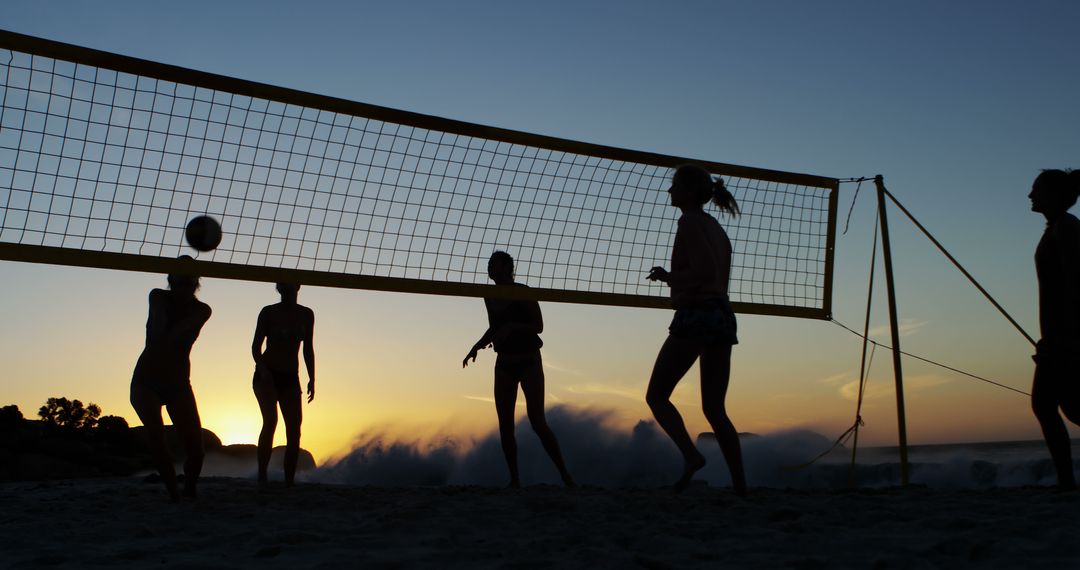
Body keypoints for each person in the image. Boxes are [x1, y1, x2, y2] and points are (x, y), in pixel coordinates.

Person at [645, 164, 747, 495]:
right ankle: (741, 486)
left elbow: (704, 271)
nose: (669, 192)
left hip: (698, 315)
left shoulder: (689, 222)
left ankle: (691, 456)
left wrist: (668, 277)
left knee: (657, 395)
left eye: (674, 186)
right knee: (715, 408)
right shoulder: (714, 225)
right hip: (721, 314)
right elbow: (714, 273)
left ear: (688, 192)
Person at [462, 251, 575, 488]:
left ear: (507, 267)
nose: (489, 267)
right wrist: (476, 346)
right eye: (489, 263)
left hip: (528, 361)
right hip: (504, 363)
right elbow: (494, 328)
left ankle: (565, 475)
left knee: (537, 422)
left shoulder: (523, 291)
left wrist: (513, 327)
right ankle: (514, 480)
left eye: (494, 263)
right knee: (505, 426)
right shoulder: (489, 295)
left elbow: (538, 326)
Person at [130, 256, 212, 502]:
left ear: (195, 282)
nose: (183, 284)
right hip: (146, 378)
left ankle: (189, 488)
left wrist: (172, 330)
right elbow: (158, 333)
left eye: (188, 280)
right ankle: (174, 494)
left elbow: (176, 334)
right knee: (158, 440)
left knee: (197, 452)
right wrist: (165, 322)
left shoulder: (202, 309)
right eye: (179, 279)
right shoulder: (157, 296)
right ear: (171, 279)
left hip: (178, 382)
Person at [1028, 168, 1080, 491]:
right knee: (1051, 405)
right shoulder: (1055, 229)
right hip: (1056, 334)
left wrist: (1068, 338)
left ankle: (1066, 482)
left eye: (1036, 190)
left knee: (1061, 406)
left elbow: (1076, 283)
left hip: (1068, 335)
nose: (1030, 196)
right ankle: (1066, 481)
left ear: (1054, 195)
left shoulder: (1068, 229)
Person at [251, 282, 316, 486]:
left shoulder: (306, 314)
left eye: (291, 287)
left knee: (294, 431)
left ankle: (289, 481)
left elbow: (308, 348)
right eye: (284, 288)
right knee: (270, 422)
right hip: (267, 375)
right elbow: (255, 346)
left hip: (290, 377)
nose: (288, 291)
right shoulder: (268, 312)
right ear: (279, 289)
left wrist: (312, 378)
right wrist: (263, 370)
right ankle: (262, 476)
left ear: (297, 287)